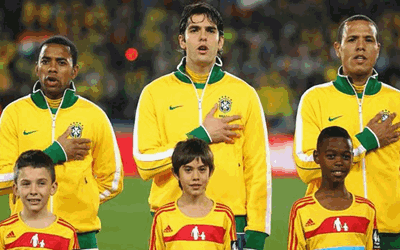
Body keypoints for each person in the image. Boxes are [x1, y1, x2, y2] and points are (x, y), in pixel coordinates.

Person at [133, 2, 271, 249]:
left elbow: (258, 168)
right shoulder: (154, 93)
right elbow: (144, 163)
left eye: (211, 30)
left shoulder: (244, 94)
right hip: (170, 221)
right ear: (182, 41)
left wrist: (258, 230)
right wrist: (202, 135)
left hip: (231, 223)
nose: (203, 37)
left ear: (220, 42)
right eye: (194, 30)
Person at [0, 35, 124, 249]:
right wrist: (54, 154)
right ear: (37, 68)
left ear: (74, 71)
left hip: (80, 237)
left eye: (61, 62)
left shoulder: (94, 115)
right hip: (26, 237)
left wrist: (81, 201)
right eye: (46, 61)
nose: (52, 68)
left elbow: (112, 180)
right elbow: (2, 178)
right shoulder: (13, 114)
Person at [293, 14, 400, 249]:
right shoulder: (315, 99)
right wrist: (366, 141)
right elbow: (304, 166)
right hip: (334, 227)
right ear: (338, 48)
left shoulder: (397, 101)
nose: (360, 46)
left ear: (378, 49)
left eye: (368, 40)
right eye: (352, 39)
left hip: (393, 231)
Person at [289, 126, 380, 250]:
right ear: (317, 157)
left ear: (352, 157)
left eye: (346, 156)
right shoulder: (301, 210)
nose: (339, 162)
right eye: (331, 156)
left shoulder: (367, 209)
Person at [149, 138, 237, 250]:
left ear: (210, 172)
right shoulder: (163, 216)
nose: (196, 177)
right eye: (188, 170)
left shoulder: (224, 216)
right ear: (176, 173)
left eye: (202, 169)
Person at [0, 150, 80, 250]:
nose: (33, 191)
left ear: (53, 188)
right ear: (16, 189)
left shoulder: (67, 233)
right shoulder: (3, 231)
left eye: (41, 183)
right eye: (26, 184)